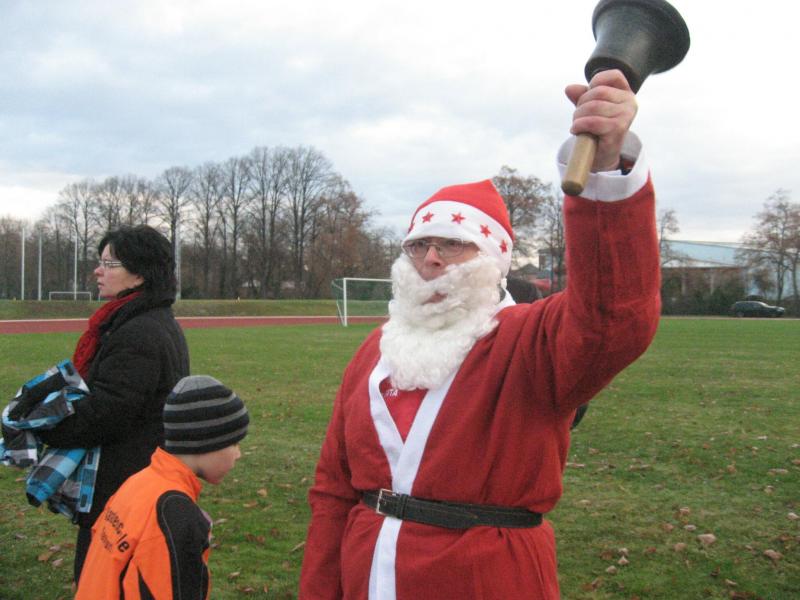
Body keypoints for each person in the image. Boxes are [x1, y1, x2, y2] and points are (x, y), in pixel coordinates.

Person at [299, 68, 661, 599]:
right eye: (418, 245)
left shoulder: (527, 341)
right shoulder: (374, 351)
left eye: (452, 244)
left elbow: (613, 318)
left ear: (492, 259)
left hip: (486, 580)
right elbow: (333, 491)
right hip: (367, 576)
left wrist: (605, 172)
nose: (430, 258)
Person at [36, 224, 190, 584]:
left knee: (104, 580)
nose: (98, 271)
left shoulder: (139, 331)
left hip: (123, 484)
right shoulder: (139, 321)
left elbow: (108, 412)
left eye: (109, 263)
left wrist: (47, 425)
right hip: (131, 477)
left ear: (139, 273)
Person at [74, 375, 249, 599]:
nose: (238, 454)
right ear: (205, 442)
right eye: (234, 443)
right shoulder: (174, 516)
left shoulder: (138, 483)